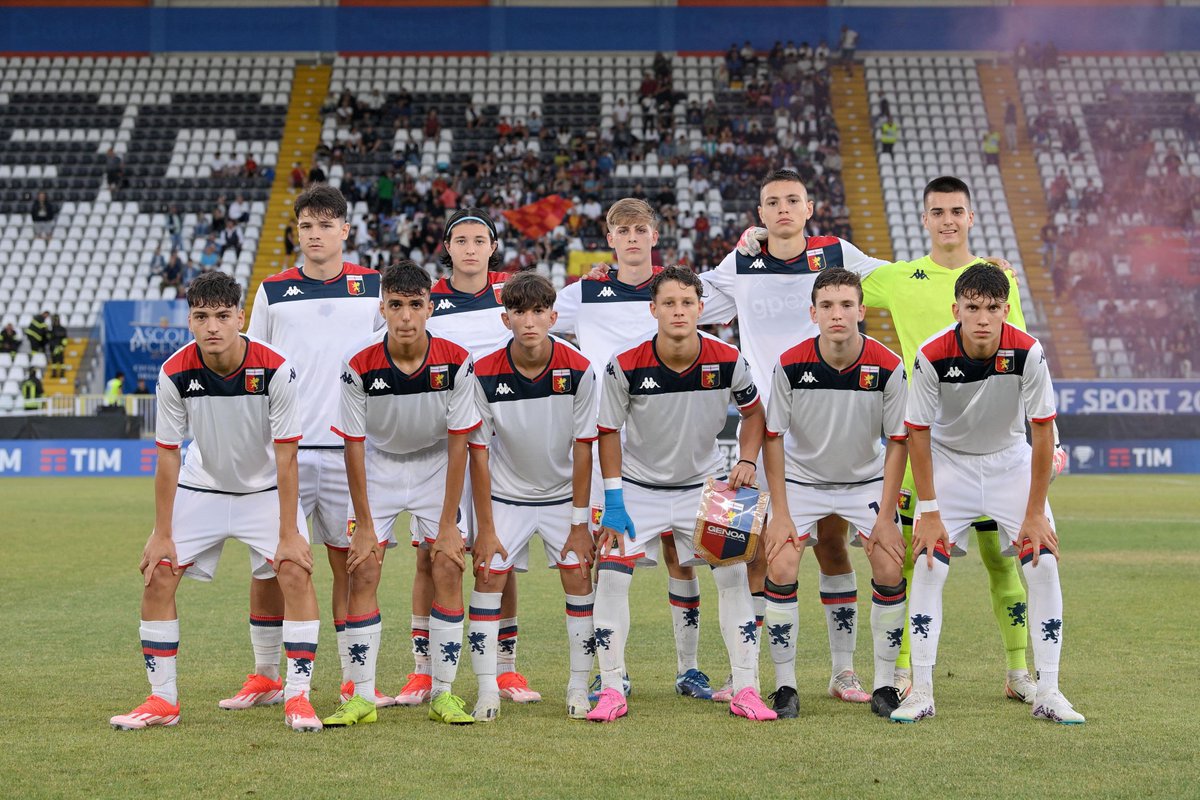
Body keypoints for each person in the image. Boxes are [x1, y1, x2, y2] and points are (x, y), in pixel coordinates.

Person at [109, 271, 323, 733]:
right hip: (201, 485)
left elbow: (287, 457)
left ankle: (297, 696)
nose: (212, 327)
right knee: (158, 577)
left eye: (222, 316)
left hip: (264, 488)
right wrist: (161, 532)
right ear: (189, 320)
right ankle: (163, 701)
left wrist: (289, 532)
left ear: (240, 317)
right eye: (202, 316)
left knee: (295, 572)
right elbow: (167, 456)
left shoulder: (276, 368)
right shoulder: (174, 371)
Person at [709, 169, 887, 707]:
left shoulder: (836, 252)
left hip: (831, 419)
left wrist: (978, 270)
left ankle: (843, 672)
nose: (783, 209)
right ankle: (747, 673)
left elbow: (901, 277)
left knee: (832, 544)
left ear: (809, 208)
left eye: (792, 200)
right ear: (759, 215)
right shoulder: (739, 260)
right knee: (756, 553)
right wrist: (616, 279)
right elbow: (690, 298)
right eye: (772, 202)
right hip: (762, 426)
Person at [557, 198, 733, 703]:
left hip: (677, 446)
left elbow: (736, 293)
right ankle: (612, 671)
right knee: (611, 557)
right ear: (609, 238)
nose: (632, 238)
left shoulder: (677, 290)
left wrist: (751, 244)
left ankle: (689, 669)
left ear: (655, 235)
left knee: (684, 557)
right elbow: (534, 306)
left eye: (640, 229)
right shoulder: (584, 292)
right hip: (612, 450)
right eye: (622, 230)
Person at [893, 263, 1084, 725]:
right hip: (950, 464)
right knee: (927, 564)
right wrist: (932, 510)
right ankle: (921, 692)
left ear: (1006, 309)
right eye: (973, 308)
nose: (983, 318)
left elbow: (1042, 433)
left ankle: (1049, 691)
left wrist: (1035, 512)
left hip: (1009, 462)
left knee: (1042, 564)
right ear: (955, 308)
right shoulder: (931, 353)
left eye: (993, 308)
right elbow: (916, 432)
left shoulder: (1029, 352)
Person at [588, 266, 775, 723]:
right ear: (653, 309)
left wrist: (747, 461)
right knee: (611, 579)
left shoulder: (727, 358)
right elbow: (607, 431)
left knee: (732, 581)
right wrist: (613, 500)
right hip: (637, 488)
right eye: (668, 303)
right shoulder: (624, 362)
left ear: (700, 307)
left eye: (687, 303)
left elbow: (755, 414)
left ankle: (747, 688)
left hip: (706, 486)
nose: (678, 311)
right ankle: (612, 688)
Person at [228, 185, 388, 712]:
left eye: (325, 225)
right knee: (270, 564)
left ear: (346, 230)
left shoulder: (374, 287)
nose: (315, 235)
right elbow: (254, 362)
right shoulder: (273, 290)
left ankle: (351, 680)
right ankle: (266, 677)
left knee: (350, 563)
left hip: (350, 450)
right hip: (285, 451)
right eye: (306, 226)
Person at [322, 260, 483, 727]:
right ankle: (362, 697)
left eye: (416, 305)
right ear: (383, 308)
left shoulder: (456, 359)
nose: (407, 317)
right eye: (396, 306)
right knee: (363, 569)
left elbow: (460, 444)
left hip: (436, 463)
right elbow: (353, 445)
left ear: (430, 307)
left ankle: (444, 694)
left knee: (449, 566)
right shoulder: (358, 363)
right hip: (379, 465)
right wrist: (366, 526)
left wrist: (450, 523)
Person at [760, 269, 909, 720]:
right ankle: (785, 687)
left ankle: (881, 683)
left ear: (862, 311)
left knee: (887, 563)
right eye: (827, 306)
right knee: (782, 563)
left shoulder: (887, 365)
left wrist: (885, 515)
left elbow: (898, 440)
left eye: (846, 305)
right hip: (802, 483)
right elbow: (773, 437)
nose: (837, 314)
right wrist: (781, 512)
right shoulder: (789, 364)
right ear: (813, 313)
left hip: (863, 483)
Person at [415, 208, 540, 706]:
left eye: (479, 240)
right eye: (460, 240)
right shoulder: (428, 299)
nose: (469, 248)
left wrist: (599, 274)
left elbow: (562, 308)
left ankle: (505, 668)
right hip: (437, 447)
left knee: (497, 558)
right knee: (431, 555)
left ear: (493, 247)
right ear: (447, 247)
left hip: (499, 450)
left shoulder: (513, 296)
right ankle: (423, 669)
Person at [467, 271, 599, 721]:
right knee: (487, 578)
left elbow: (585, 448)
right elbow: (479, 455)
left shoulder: (579, 367)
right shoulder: (481, 371)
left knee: (580, 581)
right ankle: (487, 690)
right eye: (520, 312)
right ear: (505, 319)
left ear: (554, 316)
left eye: (539, 312)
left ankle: (579, 688)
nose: (530, 321)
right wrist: (484, 528)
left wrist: (580, 525)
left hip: (563, 498)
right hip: (506, 499)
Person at [47, 314, 67, 378]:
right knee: (54, 361)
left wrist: (62, 346)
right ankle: (54, 373)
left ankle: (62, 373)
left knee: (61, 361)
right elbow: (49, 339)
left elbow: (64, 339)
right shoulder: (51, 329)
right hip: (53, 348)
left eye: (55, 320)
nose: (55, 321)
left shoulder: (62, 329)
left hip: (59, 348)